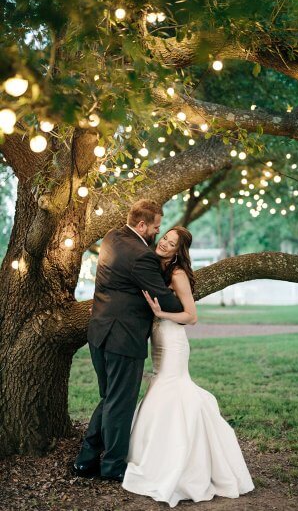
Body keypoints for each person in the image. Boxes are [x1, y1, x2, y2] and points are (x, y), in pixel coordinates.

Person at [122, 226, 255, 507]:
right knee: (161, 386)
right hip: (159, 338)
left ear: (178, 251)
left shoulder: (178, 274)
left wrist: (160, 313)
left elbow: (191, 316)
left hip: (173, 340)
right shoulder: (154, 266)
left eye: (171, 244)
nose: (165, 244)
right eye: (165, 238)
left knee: (170, 388)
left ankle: (176, 460)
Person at [73, 200, 184, 481]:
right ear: (142, 225)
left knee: (110, 399)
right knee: (120, 405)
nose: (157, 233)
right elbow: (165, 300)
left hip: (99, 333)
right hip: (123, 339)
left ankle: (86, 461)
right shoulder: (141, 256)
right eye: (156, 227)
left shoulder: (112, 236)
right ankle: (113, 467)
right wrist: (178, 288)